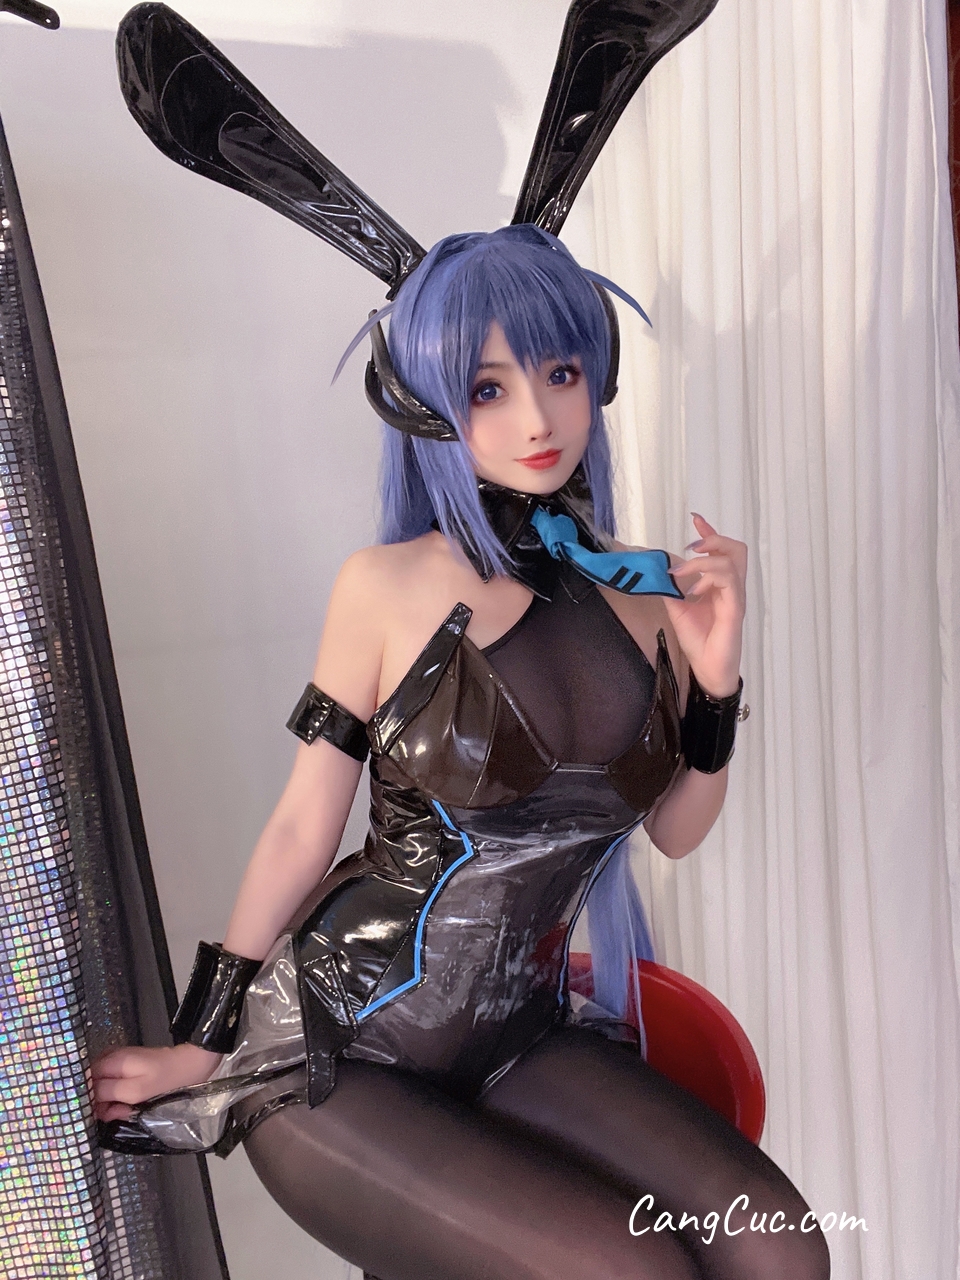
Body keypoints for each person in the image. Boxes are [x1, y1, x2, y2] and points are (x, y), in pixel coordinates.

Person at [92, 226, 828, 1279]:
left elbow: (674, 831)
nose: (537, 418)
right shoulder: (386, 586)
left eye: (560, 373)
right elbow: (304, 826)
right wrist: (200, 1037)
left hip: (518, 1037)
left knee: (783, 1250)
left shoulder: (645, 590)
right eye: (489, 388)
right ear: (427, 404)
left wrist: (716, 682)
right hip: (340, 1052)